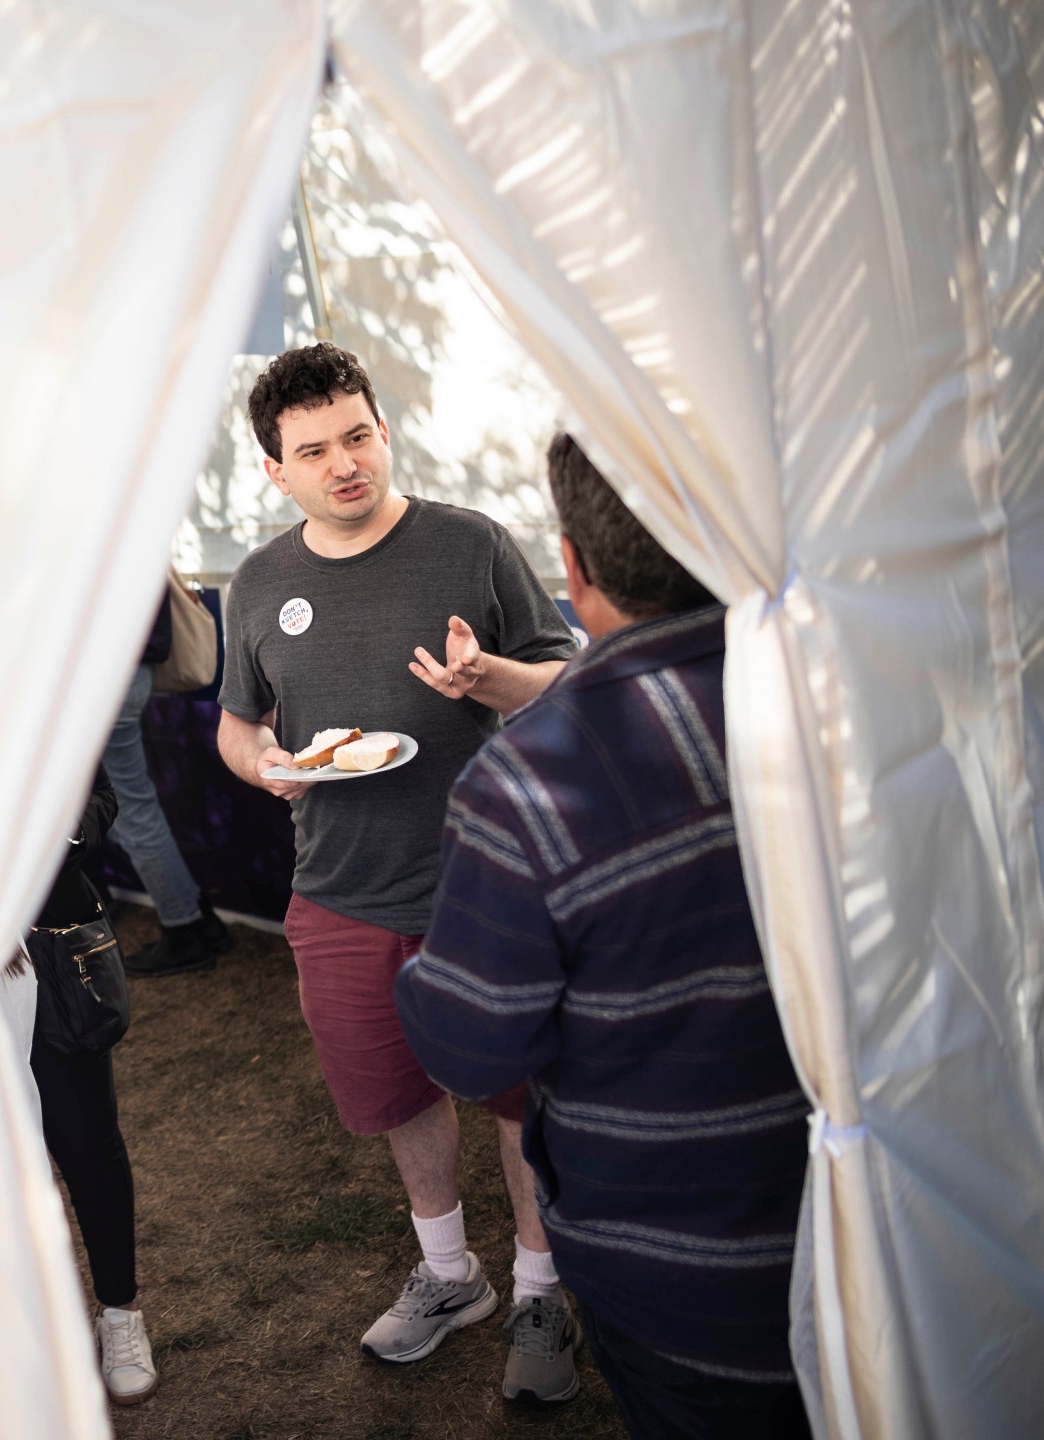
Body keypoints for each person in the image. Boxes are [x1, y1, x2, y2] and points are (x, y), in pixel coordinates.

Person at [394, 435, 810, 1437]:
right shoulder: (850, 701)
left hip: (686, 1275)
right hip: (907, 1226)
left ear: (573, 569)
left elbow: (470, 1043)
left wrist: (421, 967)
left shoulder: (529, 783)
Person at [214, 343, 580, 1397]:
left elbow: (561, 686)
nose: (344, 464)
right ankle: (448, 1272)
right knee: (394, 1096)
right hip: (337, 893)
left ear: (384, 431)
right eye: (314, 450)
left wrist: (487, 676)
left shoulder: (471, 546)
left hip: (489, 887)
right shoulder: (258, 584)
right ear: (274, 470)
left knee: (517, 1097)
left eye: (359, 436)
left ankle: (537, 1288)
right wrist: (267, 769)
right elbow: (238, 728)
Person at [0, 764, 159, 1406]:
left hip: (48, 956)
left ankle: (119, 1315)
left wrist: (53, 837)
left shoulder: (30, 683)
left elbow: (97, 795)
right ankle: (30, 1332)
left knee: (85, 1141)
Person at [110, 600, 233, 976]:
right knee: (133, 807)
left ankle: (184, 931)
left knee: (130, 813)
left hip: (103, 678)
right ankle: (198, 919)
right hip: (127, 670)